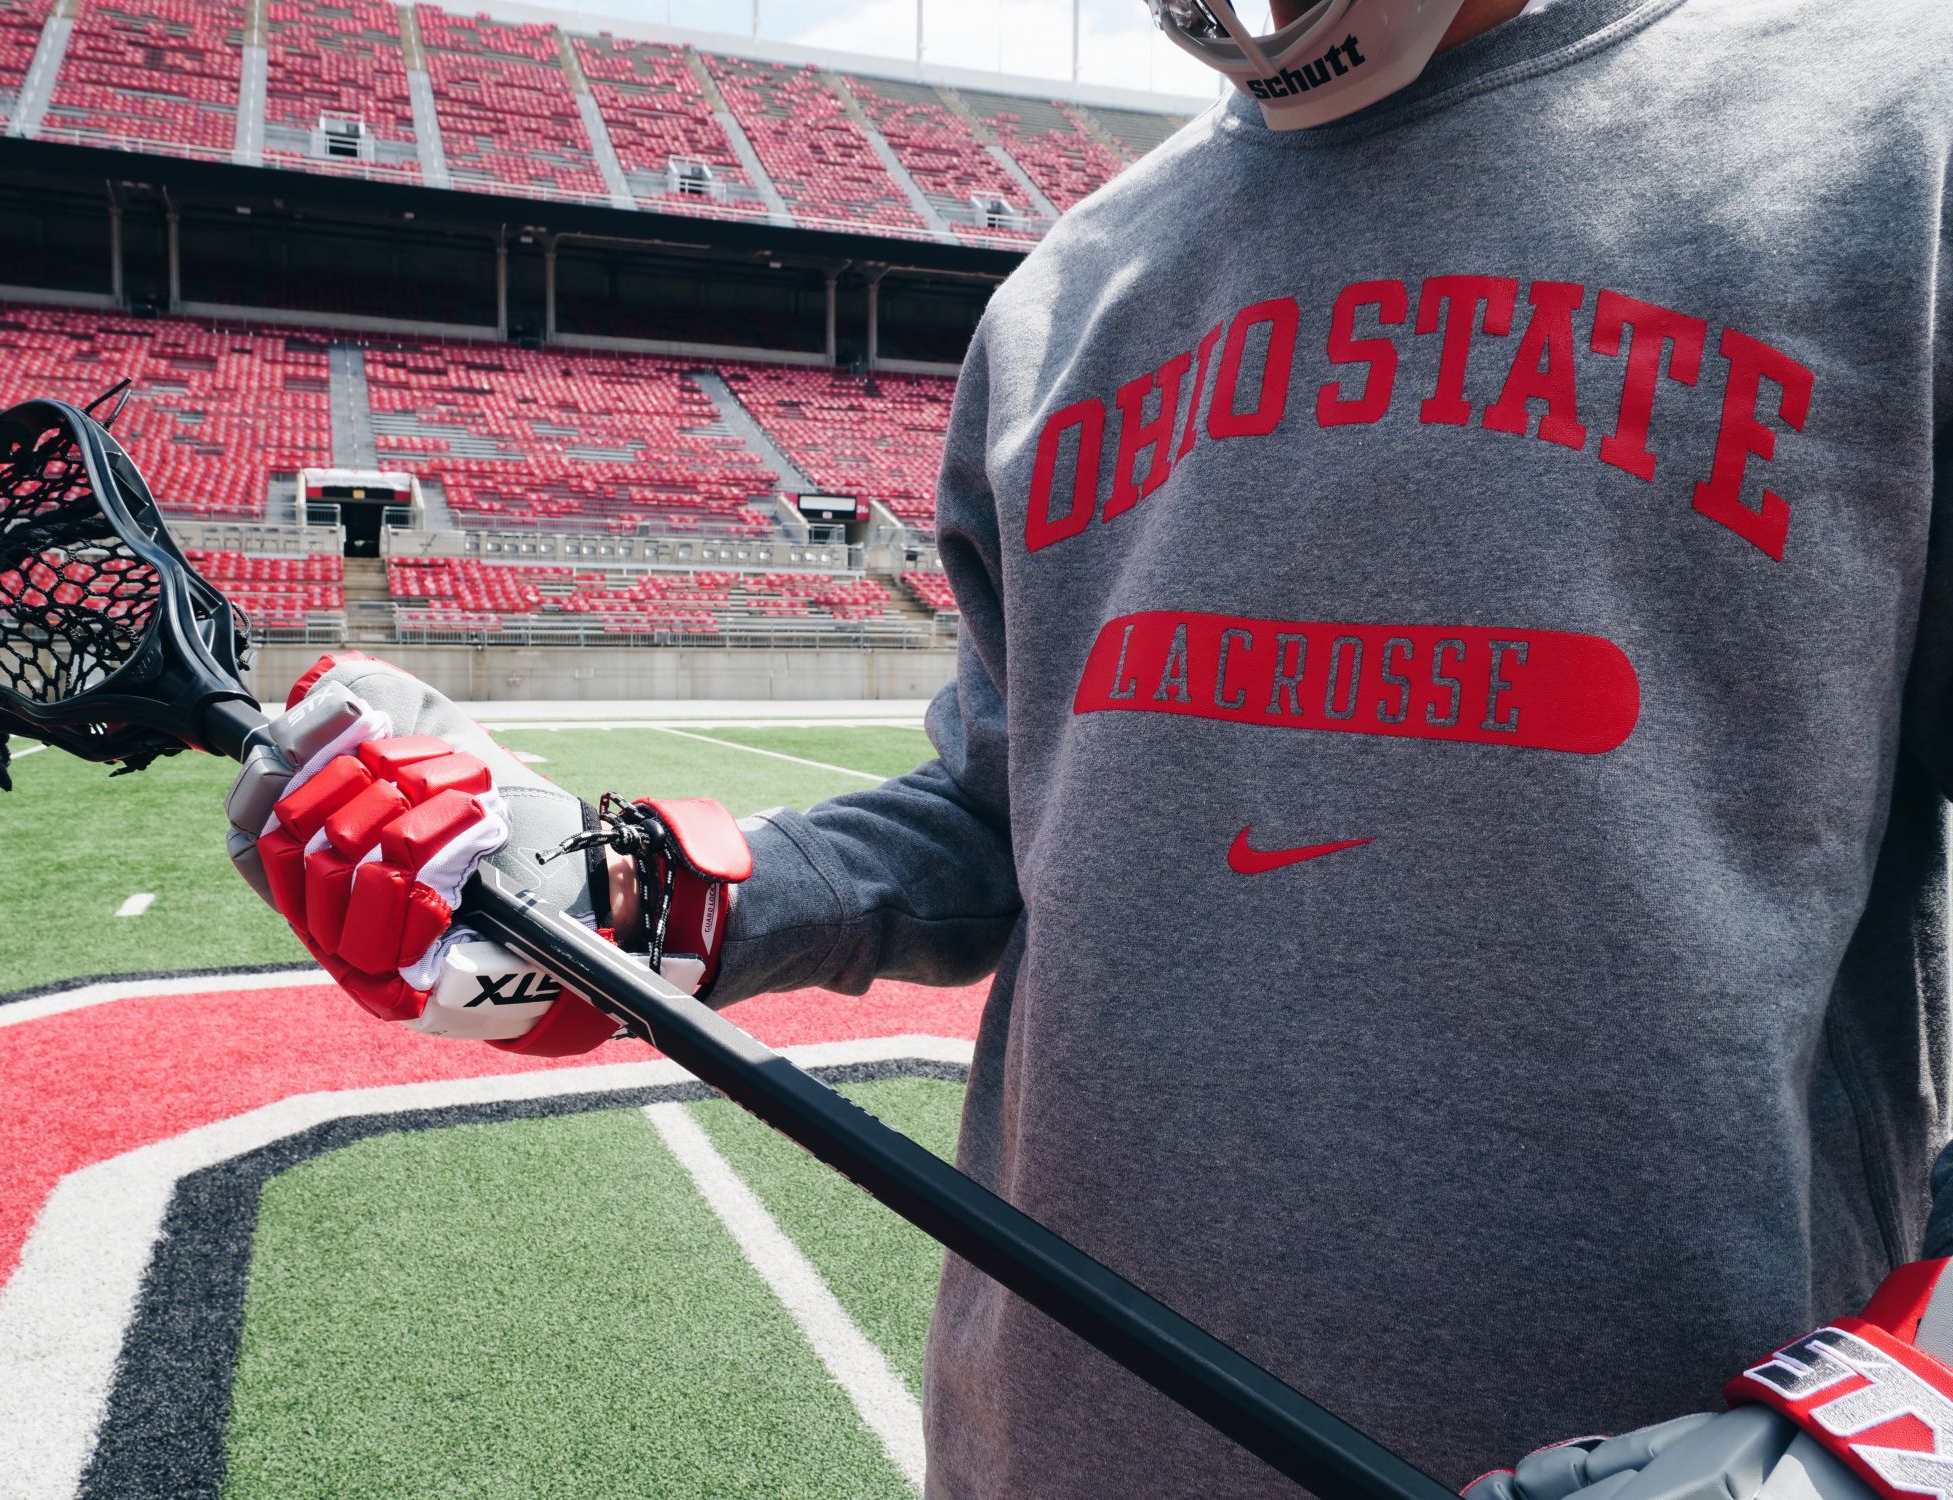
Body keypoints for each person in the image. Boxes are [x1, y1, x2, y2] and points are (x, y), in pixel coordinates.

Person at [224, 0, 1953, 1494]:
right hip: (1042, 1446)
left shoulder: (1904, 138)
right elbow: (1003, 811)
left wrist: (1917, 1392)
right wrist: (631, 891)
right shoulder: (1073, 282)